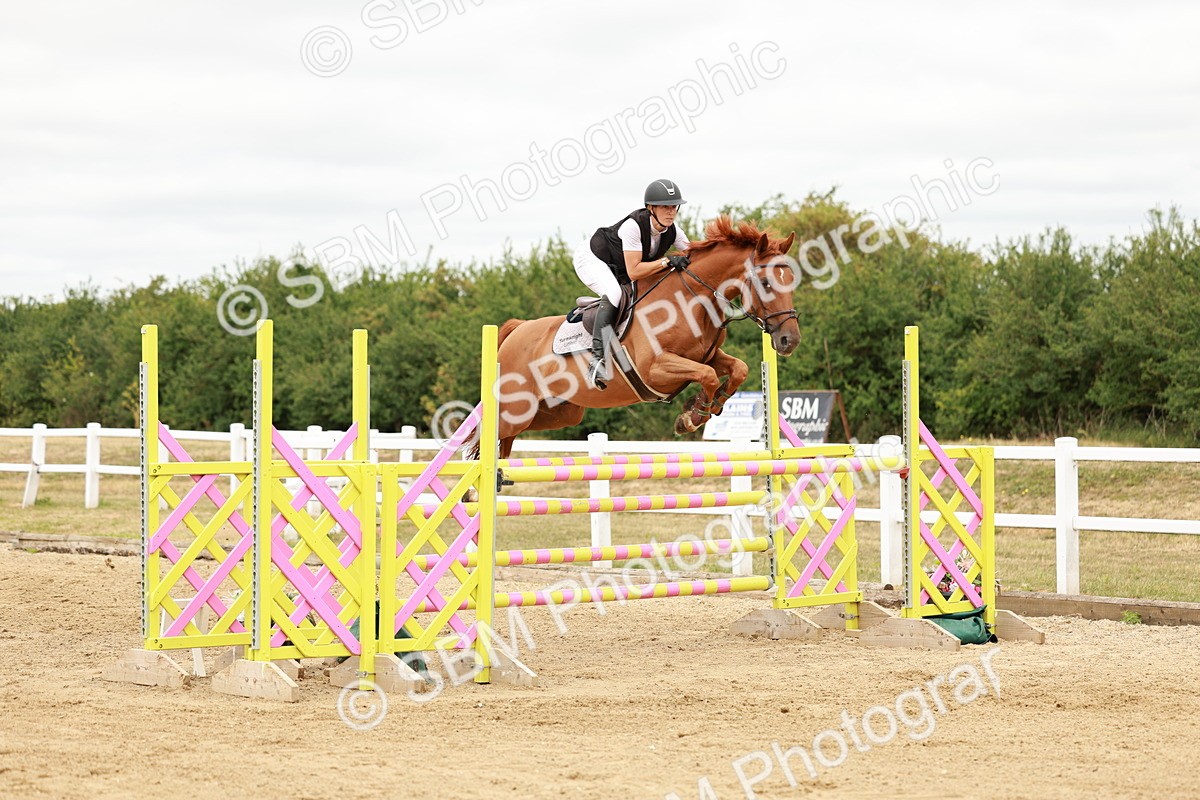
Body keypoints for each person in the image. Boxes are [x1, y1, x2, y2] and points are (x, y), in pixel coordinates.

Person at [574, 179, 692, 389]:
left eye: (674, 206)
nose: (671, 212)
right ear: (650, 208)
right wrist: (667, 261)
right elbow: (635, 271)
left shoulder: (673, 231)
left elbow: (693, 255)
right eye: (665, 206)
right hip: (593, 258)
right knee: (614, 293)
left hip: (618, 266)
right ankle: (597, 360)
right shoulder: (633, 227)